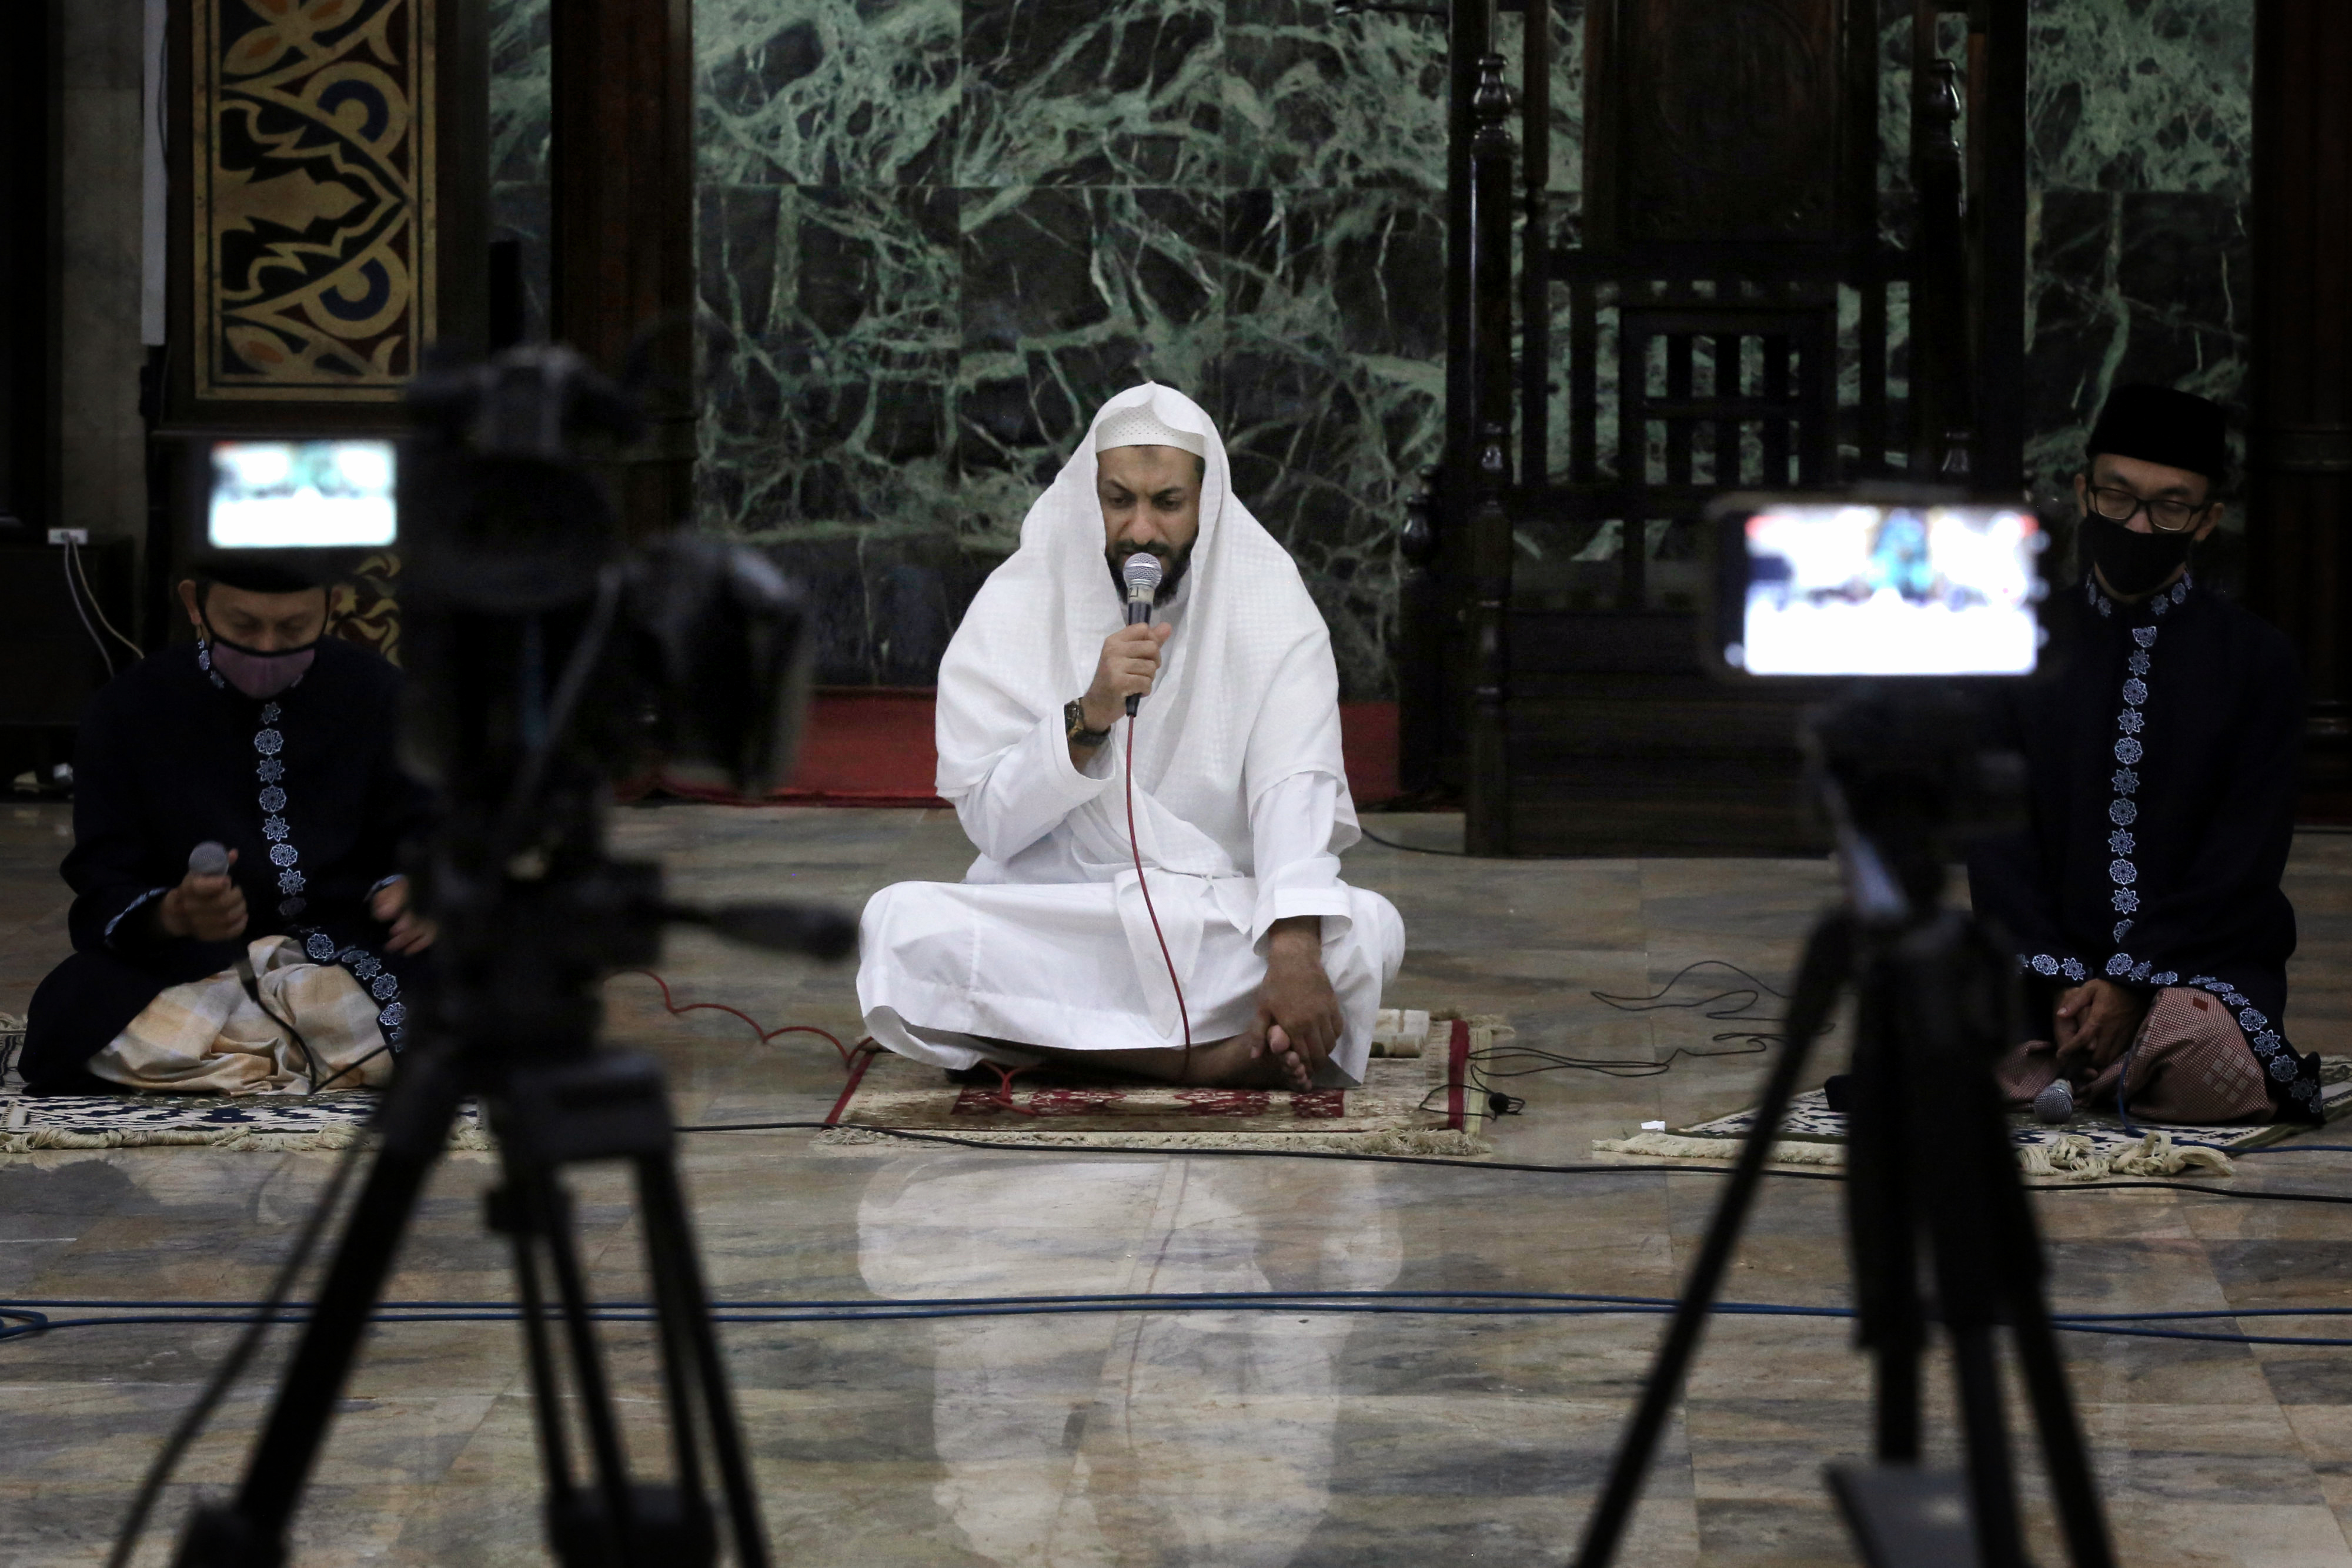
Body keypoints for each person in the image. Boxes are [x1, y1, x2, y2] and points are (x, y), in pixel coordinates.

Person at [857, 382, 1405, 1089]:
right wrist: (1088, 715)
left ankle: (1056, 1047)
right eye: (1120, 501)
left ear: (1204, 502)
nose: (1141, 531)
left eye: (1167, 503)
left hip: (1220, 910)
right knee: (900, 926)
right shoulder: (1019, 601)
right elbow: (991, 824)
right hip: (1064, 911)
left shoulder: (1272, 606)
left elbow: (1292, 793)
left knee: (1363, 932)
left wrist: (1294, 951)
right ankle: (1214, 1058)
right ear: (1092, 498)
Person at [1967, 384, 2320, 1124]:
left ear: (2207, 519)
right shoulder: (2013, 642)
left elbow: (2244, 853)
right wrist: (2065, 978)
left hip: (2203, 961)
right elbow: (1995, 836)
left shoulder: (2258, 661)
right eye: (2117, 496)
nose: (2137, 523)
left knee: (2204, 1060)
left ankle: (2090, 1063)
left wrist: (2133, 980)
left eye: (2169, 506)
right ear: (2081, 490)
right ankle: (2092, 1055)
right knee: (1924, 1030)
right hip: (2039, 965)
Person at [19, 564, 435, 1094]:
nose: (267, 648)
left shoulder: (382, 694)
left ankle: (235, 1055)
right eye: (243, 627)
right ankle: (322, 1053)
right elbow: (105, 871)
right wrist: (171, 913)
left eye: (292, 629)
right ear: (195, 604)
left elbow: (430, 826)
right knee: (73, 1009)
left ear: (331, 604)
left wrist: (422, 884)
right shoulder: (129, 707)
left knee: (490, 983)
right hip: (192, 961)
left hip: (354, 944)